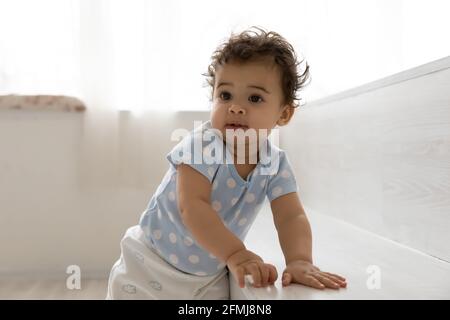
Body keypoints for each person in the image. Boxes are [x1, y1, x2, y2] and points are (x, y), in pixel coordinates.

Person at [107, 27, 346, 299]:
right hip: (150, 264)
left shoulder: (275, 164)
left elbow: (291, 216)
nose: (235, 107)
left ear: (284, 114)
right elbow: (192, 206)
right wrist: (235, 252)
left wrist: (300, 259)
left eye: (254, 98)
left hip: (208, 273)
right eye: (225, 95)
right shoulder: (202, 145)